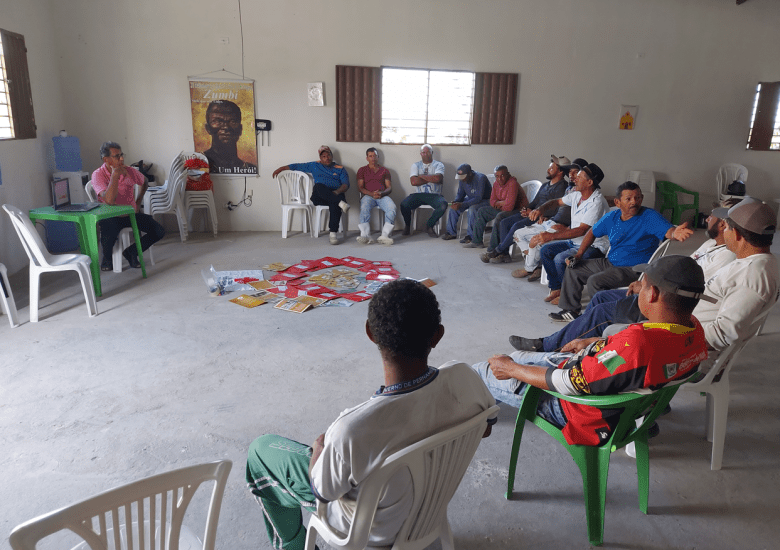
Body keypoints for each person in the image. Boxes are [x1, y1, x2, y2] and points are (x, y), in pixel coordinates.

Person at [246, 279, 497, 550]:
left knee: (260, 452)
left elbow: (323, 493)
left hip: (363, 532)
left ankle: (291, 545)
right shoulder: (464, 377)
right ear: (437, 335)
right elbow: (485, 427)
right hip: (426, 511)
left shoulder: (351, 430)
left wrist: (319, 451)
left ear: (371, 333)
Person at [473, 255, 709, 446]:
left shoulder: (639, 344)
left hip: (583, 412)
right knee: (518, 357)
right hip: (621, 397)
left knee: (483, 371)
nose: (638, 288)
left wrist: (512, 370)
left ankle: (484, 417)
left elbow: (568, 382)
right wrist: (595, 343)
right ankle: (489, 410)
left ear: (653, 293)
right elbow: (632, 356)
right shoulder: (694, 330)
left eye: (643, 283)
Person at [509, 199, 776, 357]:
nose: (721, 229)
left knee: (602, 313)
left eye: (727, 227)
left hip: (673, 322)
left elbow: (722, 334)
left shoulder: (754, 275)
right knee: (602, 301)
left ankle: (551, 348)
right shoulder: (747, 262)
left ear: (738, 235)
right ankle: (564, 346)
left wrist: (657, 329)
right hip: (670, 307)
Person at [550, 181, 694, 322]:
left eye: (638, 198)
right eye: (629, 199)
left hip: (634, 269)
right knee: (574, 268)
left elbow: (668, 231)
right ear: (617, 202)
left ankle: (602, 319)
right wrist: (579, 254)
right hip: (610, 262)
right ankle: (571, 310)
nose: (634, 202)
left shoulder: (649, 216)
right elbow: (592, 232)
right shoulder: (611, 217)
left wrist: (675, 233)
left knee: (596, 281)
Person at [529, 163, 610, 302]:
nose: (574, 179)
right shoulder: (577, 194)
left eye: (579, 177)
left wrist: (551, 236)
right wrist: (541, 209)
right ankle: (557, 289)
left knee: (560, 259)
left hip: (593, 246)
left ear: (589, 182)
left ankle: (567, 295)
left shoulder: (596, 202)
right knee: (545, 251)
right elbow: (556, 202)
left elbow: (582, 230)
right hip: (575, 242)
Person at [91, 142, 165, 271]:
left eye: (121, 155)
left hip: (130, 213)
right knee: (109, 228)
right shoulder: (98, 175)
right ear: (106, 159)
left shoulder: (130, 171)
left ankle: (131, 252)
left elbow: (145, 181)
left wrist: (137, 202)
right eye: (117, 156)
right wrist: (115, 175)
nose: (121, 159)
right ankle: (107, 258)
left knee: (158, 230)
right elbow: (108, 200)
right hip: (110, 215)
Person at [481, 155, 572, 258]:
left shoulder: (562, 187)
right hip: (532, 213)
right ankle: (504, 254)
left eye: (551, 168)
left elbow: (556, 209)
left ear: (560, 172)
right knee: (504, 223)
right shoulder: (545, 185)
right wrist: (526, 209)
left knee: (516, 226)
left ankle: (498, 251)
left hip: (541, 217)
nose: (548, 170)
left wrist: (536, 213)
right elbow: (534, 202)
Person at [273, 145, 350, 245]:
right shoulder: (314, 165)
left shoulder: (340, 168)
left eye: (329, 155)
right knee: (318, 186)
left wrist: (336, 192)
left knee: (334, 202)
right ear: (320, 158)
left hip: (336, 192)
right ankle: (340, 203)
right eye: (324, 156)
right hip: (320, 196)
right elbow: (297, 166)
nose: (327, 158)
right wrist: (280, 168)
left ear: (332, 156)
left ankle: (333, 234)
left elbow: (346, 185)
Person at [464, 165, 527, 249]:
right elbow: (492, 201)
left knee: (500, 216)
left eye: (502, 175)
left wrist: (500, 204)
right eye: (497, 176)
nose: (499, 179)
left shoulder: (513, 183)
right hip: (504, 209)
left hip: (519, 210)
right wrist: (502, 203)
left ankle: (492, 248)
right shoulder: (496, 183)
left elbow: (509, 207)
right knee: (481, 211)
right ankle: (477, 241)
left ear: (508, 174)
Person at [400, 144, 447, 237]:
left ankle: (429, 225)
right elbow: (413, 182)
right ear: (421, 154)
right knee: (404, 204)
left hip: (435, 195)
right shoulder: (416, 165)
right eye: (423, 152)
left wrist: (420, 176)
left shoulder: (439, 165)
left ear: (432, 153)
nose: (426, 154)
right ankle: (408, 225)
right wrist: (432, 177)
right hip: (418, 195)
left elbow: (438, 179)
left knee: (443, 205)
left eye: (428, 152)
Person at [202, 100, 257, 175]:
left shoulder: (249, 168)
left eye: (233, 121)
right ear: (208, 128)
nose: (226, 127)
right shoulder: (198, 165)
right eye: (218, 121)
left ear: (240, 129)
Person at [356, 147, 396, 245]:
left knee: (392, 207)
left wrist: (381, 193)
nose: (373, 158)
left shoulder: (384, 170)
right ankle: (365, 235)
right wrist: (371, 194)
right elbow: (360, 188)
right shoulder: (362, 170)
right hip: (368, 196)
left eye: (375, 156)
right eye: (370, 156)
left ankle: (385, 235)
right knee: (364, 206)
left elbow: (389, 188)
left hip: (382, 195)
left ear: (378, 157)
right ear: (367, 158)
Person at [442, 163, 492, 242]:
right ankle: (451, 233)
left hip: (486, 200)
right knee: (454, 208)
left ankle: (471, 236)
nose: (462, 179)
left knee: (472, 209)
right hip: (471, 199)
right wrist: (456, 202)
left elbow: (478, 198)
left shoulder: (481, 178)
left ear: (470, 174)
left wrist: (462, 204)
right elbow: (460, 194)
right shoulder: (462, 180)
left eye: (463, 177)